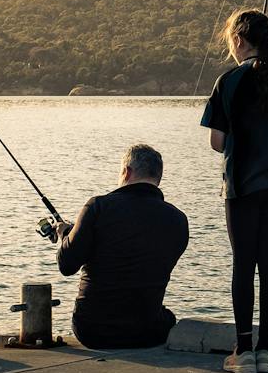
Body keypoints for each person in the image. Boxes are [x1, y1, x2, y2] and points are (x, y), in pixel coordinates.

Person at [200, 8, 268, 373]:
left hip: (241, 187)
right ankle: (267, 351)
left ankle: (243, 351)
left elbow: (217, 143)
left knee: (243, 265)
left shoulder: (228, 82)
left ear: (238, 40)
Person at [48, 143, 189, 349]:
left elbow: (67, 265)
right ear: (158, 178)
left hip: (93, 330)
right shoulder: (178, 219)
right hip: (148, 331)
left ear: (126, 171)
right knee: (168, 316)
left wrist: (66, 236)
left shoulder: (98, 206)